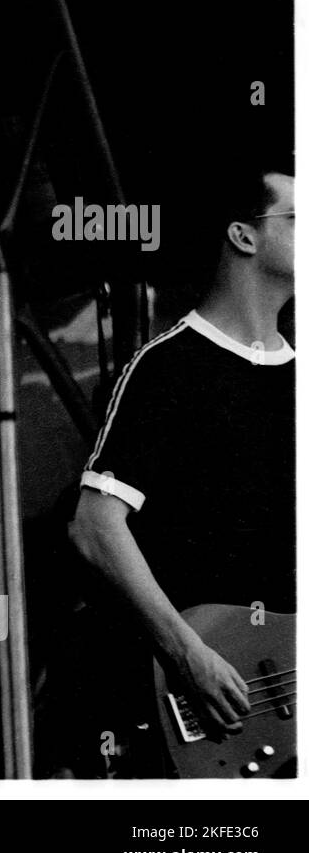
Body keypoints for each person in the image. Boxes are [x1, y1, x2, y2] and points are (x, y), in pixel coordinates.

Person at [67, 165, 294, 757]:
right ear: (244, 237)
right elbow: (95, 528)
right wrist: (188, 654)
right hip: (212, 695)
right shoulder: (168, 368)